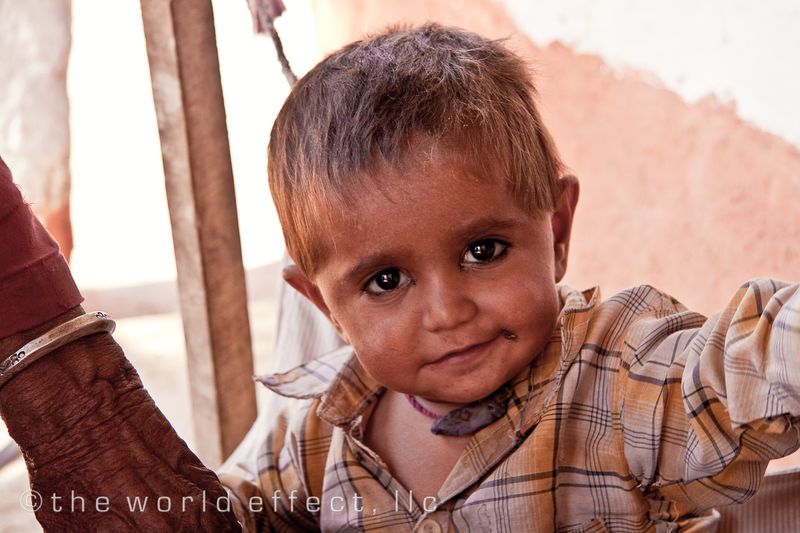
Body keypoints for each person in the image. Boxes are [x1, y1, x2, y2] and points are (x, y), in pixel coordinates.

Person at [0, 23, 798, 532]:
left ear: (556, 231)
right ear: (323, 305)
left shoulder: (619, 379)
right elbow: (233, 517)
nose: (449, 310)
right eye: (385, 281)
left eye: (484, 250)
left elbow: (745, 368)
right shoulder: (316, 432)